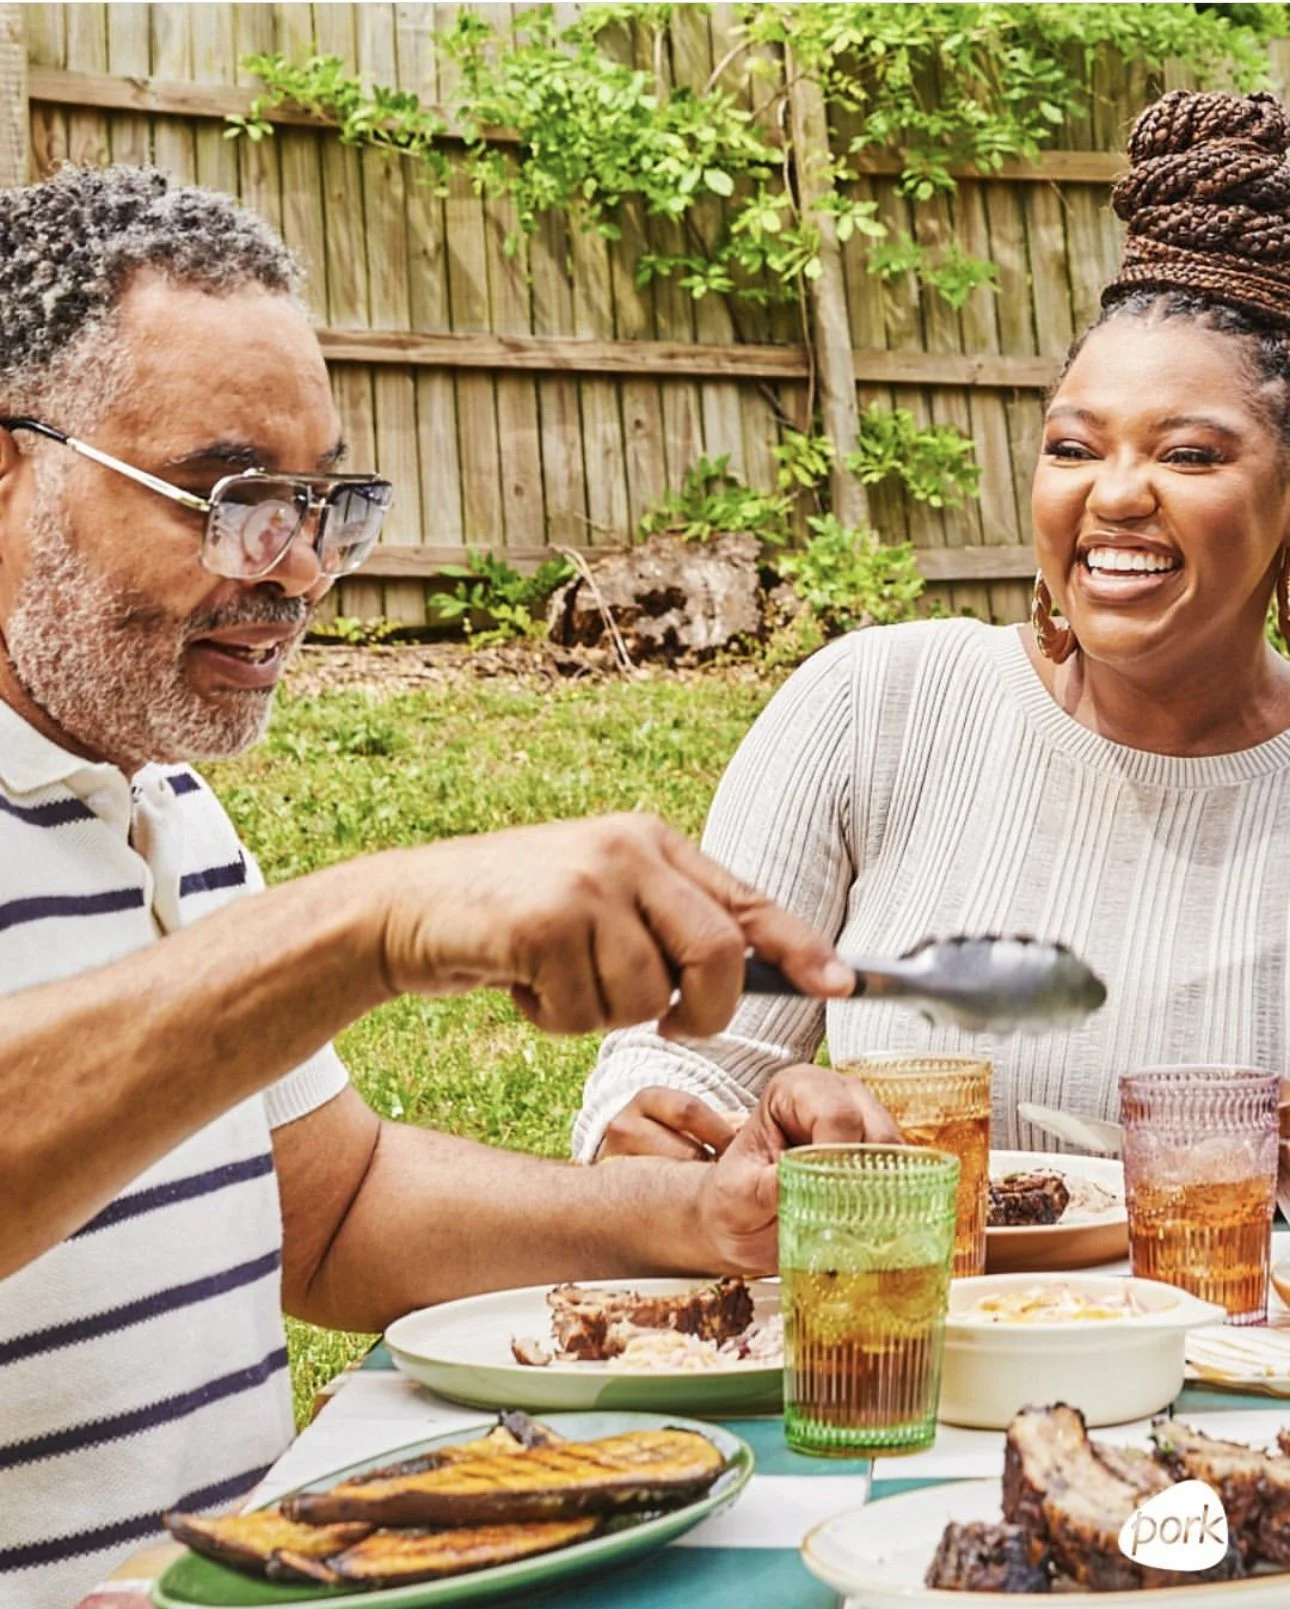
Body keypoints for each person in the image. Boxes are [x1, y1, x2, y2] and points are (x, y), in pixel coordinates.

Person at [0, 165, 899, 1609]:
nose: (297, 573)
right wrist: (364, 924)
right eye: (232, 497)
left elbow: (332, 1208)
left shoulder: (157, 794)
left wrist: (698, 1221)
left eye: (318, 503)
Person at [576, 87, 1290, 1164]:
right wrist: (699, 1136)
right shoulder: (879, 708)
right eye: (1073, 447)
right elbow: (679, 1060)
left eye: (1189, 454)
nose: (1115, 494)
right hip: (891, 1327)